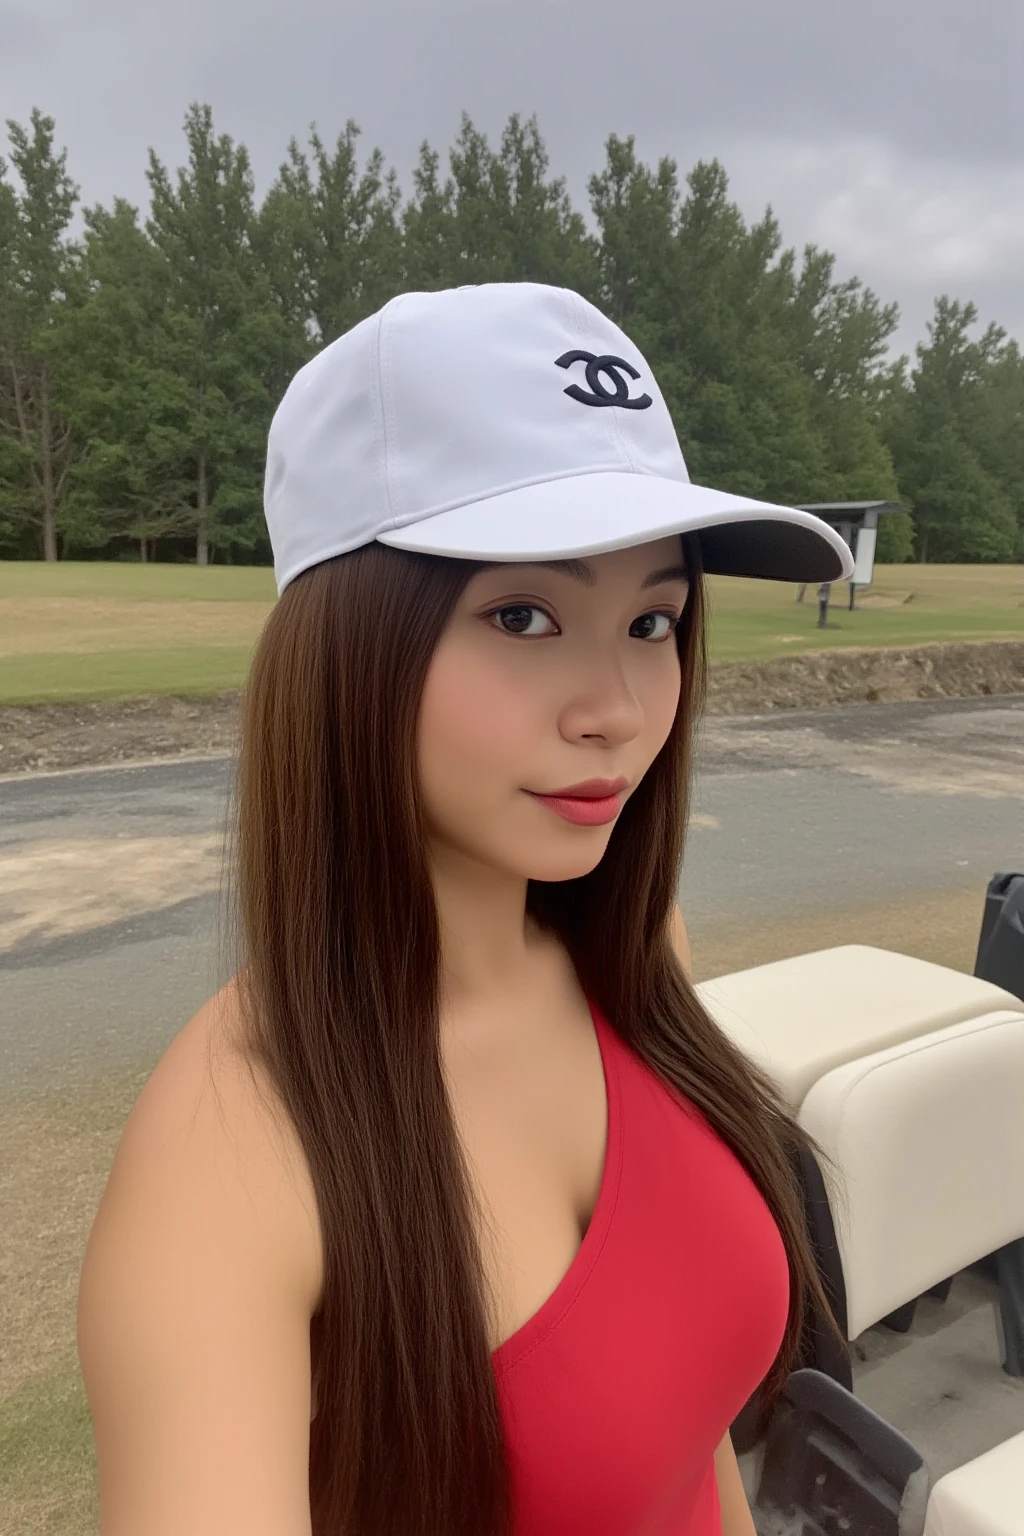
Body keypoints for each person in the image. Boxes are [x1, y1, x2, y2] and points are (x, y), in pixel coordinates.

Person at [77, 282, 854, 1536]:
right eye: (524, 615)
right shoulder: (231, 1155)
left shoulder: (632, 960)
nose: (615, 705)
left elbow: (685, 1440)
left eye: (652, 619)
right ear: (345, 650)